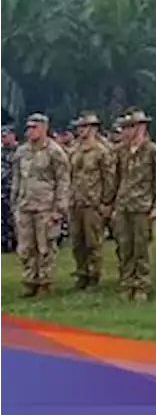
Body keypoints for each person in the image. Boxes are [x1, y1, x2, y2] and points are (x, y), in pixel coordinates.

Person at [107, 110, 156, 301]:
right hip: (124, 205)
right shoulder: (120, 151)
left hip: (142, 206)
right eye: (124, 128)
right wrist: (113, 204)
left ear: (141, 128)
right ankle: (127, 282)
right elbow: (116, 179)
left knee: (141, 247)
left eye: (129, 127)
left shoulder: (153, 151)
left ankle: (142, 284)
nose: (125, 132)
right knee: (125, 246)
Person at [11, 113, 71, 297]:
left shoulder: (55, 151)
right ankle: (30, 281)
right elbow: (17, 178)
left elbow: (63, 181)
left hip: (46, 206)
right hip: (25, 205)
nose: (30, 131)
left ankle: (45, 282)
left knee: (45, 247)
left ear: (45, 128)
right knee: (26, 247)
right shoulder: (22, 151)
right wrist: (15, 203)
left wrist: (59, 209)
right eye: (28, 127)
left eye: (34, 127)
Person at [68, 111, 115, 290]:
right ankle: (82, 273)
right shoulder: (75, 149)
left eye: (84, 127)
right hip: (76, 202)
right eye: (79, 127)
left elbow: (109, 179)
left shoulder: (102, 151)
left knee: (93, 242)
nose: (80, 131)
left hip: (93, 203)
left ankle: (94, 275)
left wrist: (106, 202)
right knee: (77, 242)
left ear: (93, 128)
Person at [0, 124, 16, 253]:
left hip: (15, 189)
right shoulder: (1, 152)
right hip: (2, 191)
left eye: (6, 136)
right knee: (3, 219)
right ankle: (4, 244)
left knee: (15, 219)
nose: (3, 139)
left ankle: (17, 243)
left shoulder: (20, 151)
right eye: (2, 136)